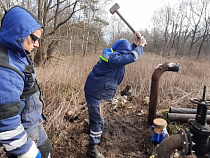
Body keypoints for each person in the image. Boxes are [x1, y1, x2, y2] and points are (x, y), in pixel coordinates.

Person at [0, 6, 53, 158]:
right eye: (34, 39)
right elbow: (7, 122)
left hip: (33, 123)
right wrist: (27, 152)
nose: (37, 44)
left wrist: (36, 114)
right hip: (24, 133)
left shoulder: (18, 53)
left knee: (47, 150)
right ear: (18, 34)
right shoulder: (5, 69)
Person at [84, 32, 147, 158]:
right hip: (94, 91)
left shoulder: (114, 53)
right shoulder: (112, 57)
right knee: (99, 119)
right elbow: (129, 57)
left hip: (95, 89)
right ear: (120, 51)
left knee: (96, 116)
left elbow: (126, 54)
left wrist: (135, 44)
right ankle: (92, 149)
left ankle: (91, 128)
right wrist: (140, 46)